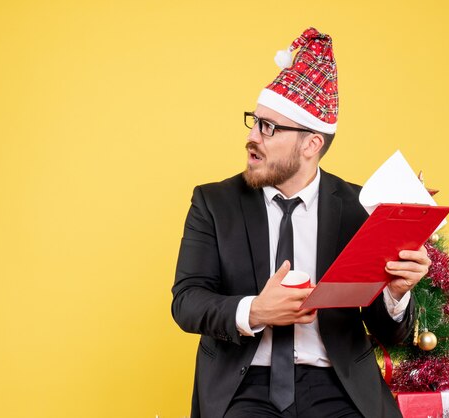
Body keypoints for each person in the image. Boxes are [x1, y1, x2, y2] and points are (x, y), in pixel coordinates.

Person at [171, 27, 431, 418]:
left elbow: (389, 333)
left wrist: (396, 294)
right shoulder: (214, 203)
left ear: (311, 144)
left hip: (337, 385)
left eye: (269, 127)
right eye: (255, 121)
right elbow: (187, 302)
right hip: (244, 385)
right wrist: (256, 311)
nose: (252, 137)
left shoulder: (361, 208)